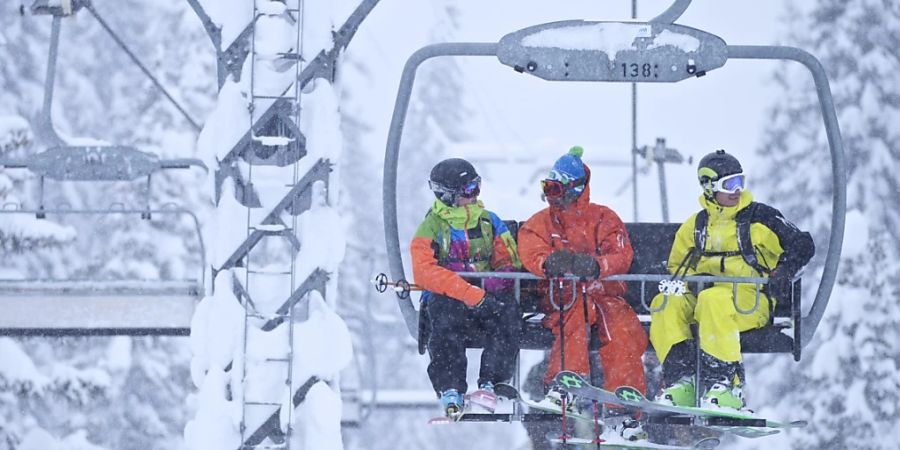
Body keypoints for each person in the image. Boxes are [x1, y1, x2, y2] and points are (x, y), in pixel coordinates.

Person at [650, 149, 815, 411]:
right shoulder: (696, 227)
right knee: (667, 302)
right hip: (706, 302)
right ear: (709, 188)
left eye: (740, 181)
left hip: (749, 302)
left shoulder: (760, 219)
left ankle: (727, 384)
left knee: (713, 299)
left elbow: (802, 244)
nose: (737, 190)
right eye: (729, 184)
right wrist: (693, 280)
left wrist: (784, 270)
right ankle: (684, 380)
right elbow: (676, 267)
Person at [518, 146, 648, 438]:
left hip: (604, 294)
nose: (550, 195)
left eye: (555, 188)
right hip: (561, 296)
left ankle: (624, 408)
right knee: (573, 315)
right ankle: (567, 384)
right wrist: (547, 262)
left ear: (575, 188)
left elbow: (620, 255)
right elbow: (530, 249)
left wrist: (596, 266)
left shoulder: (603, 218)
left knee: (621, 329)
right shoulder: (540, 224)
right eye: (546, 188)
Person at [410, 157, 523, 418]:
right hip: (451, 299)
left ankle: (492, 383)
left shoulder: (489, 222)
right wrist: (470, 292)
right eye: (469, 191)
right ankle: (451, 387)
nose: (474, 196)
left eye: (477, 188)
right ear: (448, 196)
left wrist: (493, 283)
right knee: (444, 316)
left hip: (485, 299)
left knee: (508, 312)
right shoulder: (432, 227)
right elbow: (425, 271)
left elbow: (509, 261)